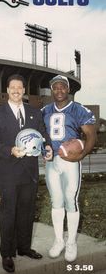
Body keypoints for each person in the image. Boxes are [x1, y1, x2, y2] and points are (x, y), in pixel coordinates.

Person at [0, 74, 53, 273]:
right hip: (9, 171)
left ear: (24, 90)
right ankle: (7, 253)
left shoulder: (35, 113)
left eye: (20, 87)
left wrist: (48, 148)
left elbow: (43, 135)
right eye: (12, 88)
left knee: (27, 210)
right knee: (8, 213)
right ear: (7, 90)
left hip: (30, 172)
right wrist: (9, 150)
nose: (16, 91)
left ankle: (24, 247)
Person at [42, 75, 96, 262]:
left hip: (70, 162)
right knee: (56, 202)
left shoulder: (78, 109)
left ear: (68, 89)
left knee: (70, 201)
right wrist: (43, 150)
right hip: (52, 162)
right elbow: (40, 136)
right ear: (51, 90)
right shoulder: (45, 110)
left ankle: (71, 241)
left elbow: (91, 135)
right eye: (55, 87)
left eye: (62, 87)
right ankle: (59, 240)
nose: (59, 90)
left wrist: (81, 155)